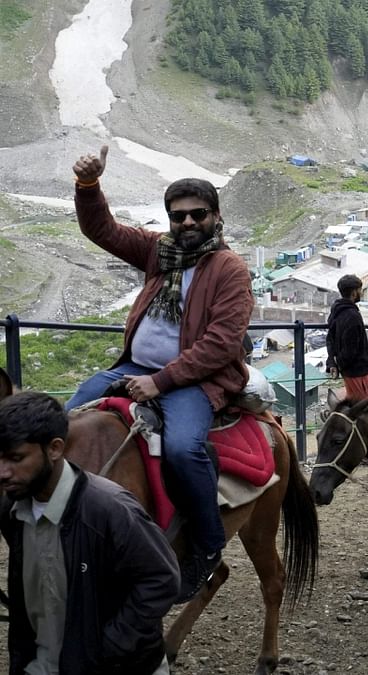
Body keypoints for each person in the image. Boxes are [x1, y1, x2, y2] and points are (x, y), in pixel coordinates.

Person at [66, 145, 251, 602]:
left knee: (186, 450)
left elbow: (221, 344)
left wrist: (161, 381)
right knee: (64, 423)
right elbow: (102, 229)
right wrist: (88, 187)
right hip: (135, 367)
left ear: (216, 216)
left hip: (192, 380)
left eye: (197, 214)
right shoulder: (159, 252)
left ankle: (206, 547)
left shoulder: (230, 269)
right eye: (178, 216)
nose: (187, 223)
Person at [0, 392, 180, 674]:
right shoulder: (12, 509)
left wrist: (108, 647)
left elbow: (162, 578)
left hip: (112, 666)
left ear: (55, 449)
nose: (3, 472)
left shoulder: (110, 509)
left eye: (15, 458)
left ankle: (207, 539)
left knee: (187, 450)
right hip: (42, 666)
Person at [325, 274, 368, 400]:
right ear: (354, 293)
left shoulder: (337, 310)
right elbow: (351, 349)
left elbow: (330, 339)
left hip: (350, 372)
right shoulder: (352, 316)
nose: (361, 292)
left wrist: (333, 362)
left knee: (358, 405)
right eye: (360, 290)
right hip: (358, 372)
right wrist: (339, 364)